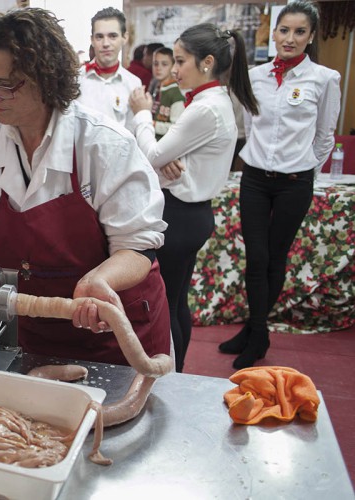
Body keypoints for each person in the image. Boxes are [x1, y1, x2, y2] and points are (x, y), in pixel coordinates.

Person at [0, 8, 171, 367]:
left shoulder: (104, 146)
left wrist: (98, 279)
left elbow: (138, 249)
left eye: (8, 83)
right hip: (30, 338)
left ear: (47, 77)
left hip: (115, 338)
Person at [128, 24, 259, 372]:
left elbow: (151, 155)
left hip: (181, 214)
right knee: (175, 301)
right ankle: (179, 372)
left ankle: (172, 377)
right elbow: (163, 154)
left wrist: (141, 113)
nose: (174, 69)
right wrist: (164, 154)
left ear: (207, 62)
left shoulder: (205, 108)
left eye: (181, 61)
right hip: (192, 212)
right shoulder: (211, 102)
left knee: (165, 304)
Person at [219, 0, 341, 369]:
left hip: (295, 183)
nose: (290, 38)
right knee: (255, 258)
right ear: (273, 32)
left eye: (299, 31)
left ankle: (256, 334)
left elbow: (324, 137)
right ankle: (258, 331)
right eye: (284, 30)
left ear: (311, 36)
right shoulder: (254, 77)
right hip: (255, 179)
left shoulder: (325, 79)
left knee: (275, 258)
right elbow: (250, 127)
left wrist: (303, 170)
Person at [77, 7, 141, 129]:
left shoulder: (133, 83)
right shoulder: (76, 80)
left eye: (112, 36)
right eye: (99, 37)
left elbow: (132, 134)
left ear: (124, 38)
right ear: (92, 40)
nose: (106, 43)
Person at [150, 47, 185, 140]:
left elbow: (177, 128)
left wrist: (151, 124)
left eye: (164, 64)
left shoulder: (177, 92)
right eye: (155, 64)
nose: (158, 68)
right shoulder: (155, 88)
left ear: (173, 66)